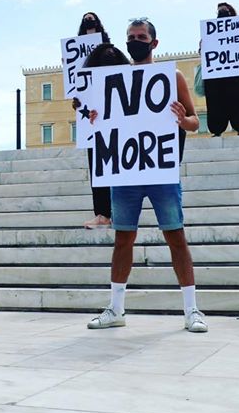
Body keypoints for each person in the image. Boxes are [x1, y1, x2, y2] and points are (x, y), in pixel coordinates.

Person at [87, 18, 208, 333]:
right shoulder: (115, 80)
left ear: (154, 43)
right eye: (130, 36)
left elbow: (195, 121)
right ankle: (116, 308)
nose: (134, 41)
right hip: (126, 172)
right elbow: (99, 124)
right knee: (123, 238)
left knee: (175, 236)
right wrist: (95, 119)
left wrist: (183, 120)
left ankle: (192, 310)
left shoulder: (172, 76)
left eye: (141, 36)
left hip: (160, 169)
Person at [72, 13, 115, 229]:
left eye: (92, 19)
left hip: (113, 113)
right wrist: (77, 101)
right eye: (86, 19)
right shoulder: (77, 57)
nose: (89, 21)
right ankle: (101, 213)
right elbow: (78, 88)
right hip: (89, 118)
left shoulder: (110, 51)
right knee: (96, 167)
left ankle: (114, 211)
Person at [203, 2, 239, 136]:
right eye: (219, 12)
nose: (222, 14)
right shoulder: (210, 32)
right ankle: (216, 130)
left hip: (238, 75)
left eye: (225, 11)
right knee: (215, 104)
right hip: (215, 77)